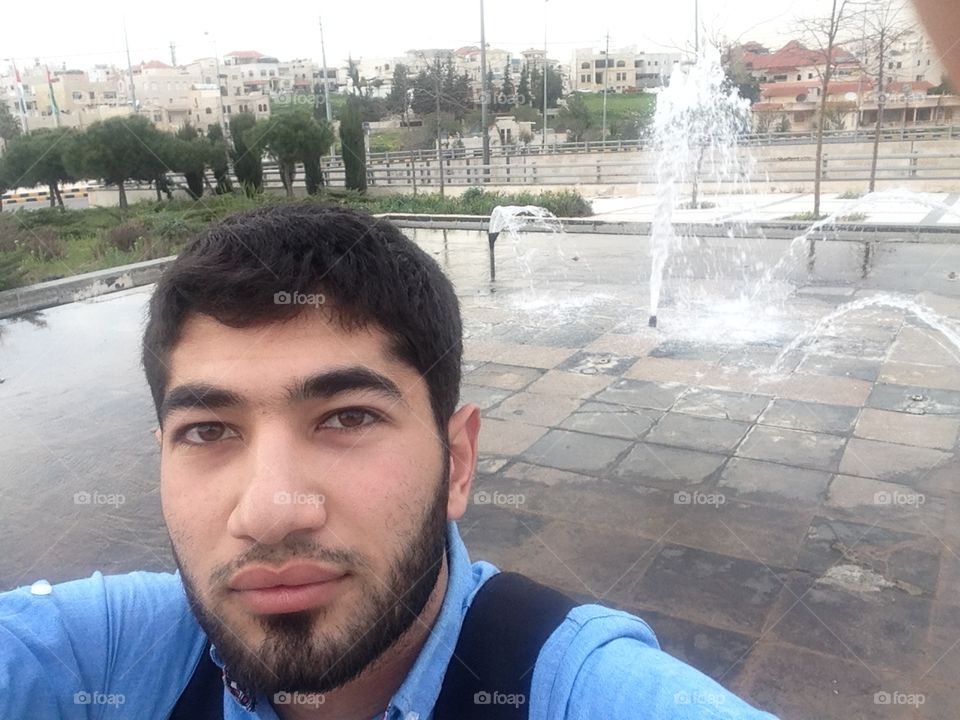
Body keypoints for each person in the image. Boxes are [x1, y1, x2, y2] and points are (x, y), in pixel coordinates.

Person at [0, 205, 776, 719]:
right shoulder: (104, 657)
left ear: (458, 461)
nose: (269, 513)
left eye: (347, 417)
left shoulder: (571, 689)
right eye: (208, 431)